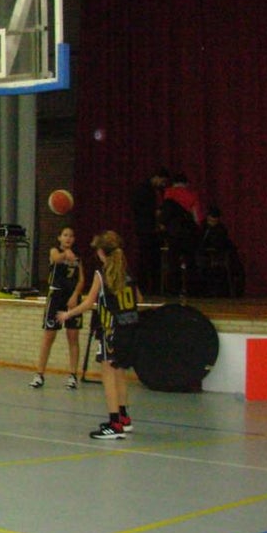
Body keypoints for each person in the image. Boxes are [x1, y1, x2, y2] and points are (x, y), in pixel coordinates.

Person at [57, 230, 140, 440]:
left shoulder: (102, 275)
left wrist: (68, 314)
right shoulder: (127, 273)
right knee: (120, 372)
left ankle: (114, 424)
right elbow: (138, 298)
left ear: (102, 253)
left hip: (111, 329)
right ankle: (124, 417)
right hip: (130, 328)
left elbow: (87, 303)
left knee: (108, 375)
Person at [29, 226, 85, 391]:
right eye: (65, 235)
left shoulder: (77, 256)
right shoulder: (54, 251)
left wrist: (75, 296)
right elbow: (56, 258)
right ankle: (39, 374)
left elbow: (81, 279)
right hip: (56, 297)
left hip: (72, 298)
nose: (68, 238)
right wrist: (64, 255)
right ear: (59, 238)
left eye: (71, 235)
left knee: (73, 337)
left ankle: (73, 375)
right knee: (48, 337)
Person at [129, 168, 169, 294]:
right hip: (146, 229)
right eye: (162, 181)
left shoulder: (155, 190)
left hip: (152, 230)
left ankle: (155, 288)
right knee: (145, 259)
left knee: (154, 260)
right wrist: (154, 213)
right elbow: (139, 209)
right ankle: (144, 287)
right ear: (156, 177)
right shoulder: (144, 190)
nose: (163, 184)